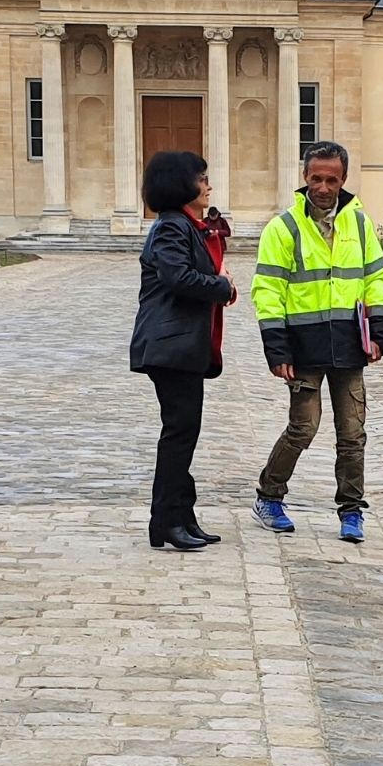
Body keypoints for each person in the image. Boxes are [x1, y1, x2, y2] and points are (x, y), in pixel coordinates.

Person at [252, 141, 383, 543]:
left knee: (352, 434)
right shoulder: (284, 228)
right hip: (303, 349)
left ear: (344, 179)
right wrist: (276, 348)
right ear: (304, 177)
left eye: (332, 179)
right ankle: (269, 495)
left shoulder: (360, 225)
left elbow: (376, 279)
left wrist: (380, 331)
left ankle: (351, 510)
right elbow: (268, 289)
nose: (324, 187)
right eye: (316, 178)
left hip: (350, 347)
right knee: (303, 428)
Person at [129, 150, 237, 551]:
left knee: (182, 432)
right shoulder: (172, 227)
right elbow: (178, 278)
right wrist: (223, 286)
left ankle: (181, 515)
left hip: (180, 347)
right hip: (170, 346)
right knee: (178, 434)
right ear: (181, 184)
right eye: (202, 177)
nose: (208, 184)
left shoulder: (184, 226)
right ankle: (165, 520)